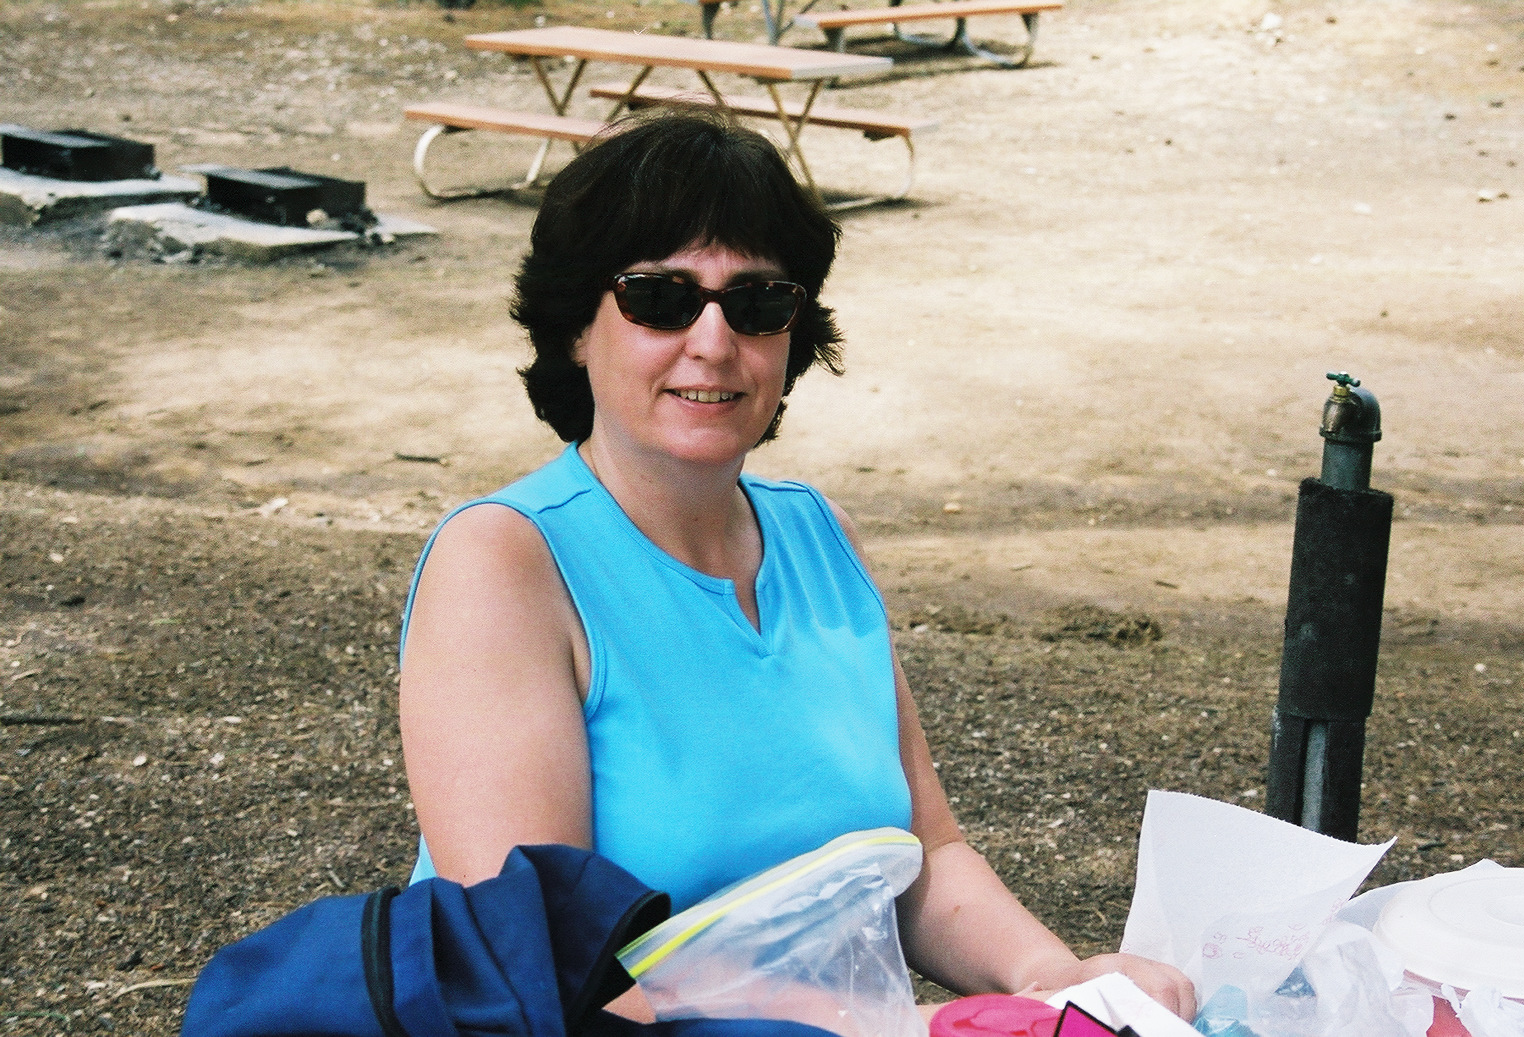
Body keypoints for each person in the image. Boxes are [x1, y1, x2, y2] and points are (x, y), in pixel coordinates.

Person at [397, 109, 1195, 1021]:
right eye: (660, 297)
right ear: (578, 325)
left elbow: (926, 855)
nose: (712, 340)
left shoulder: (821, 537)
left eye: (757, 302)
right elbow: (538, 966)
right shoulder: (503, 562)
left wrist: (1057, 977)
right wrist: (872, 1027)